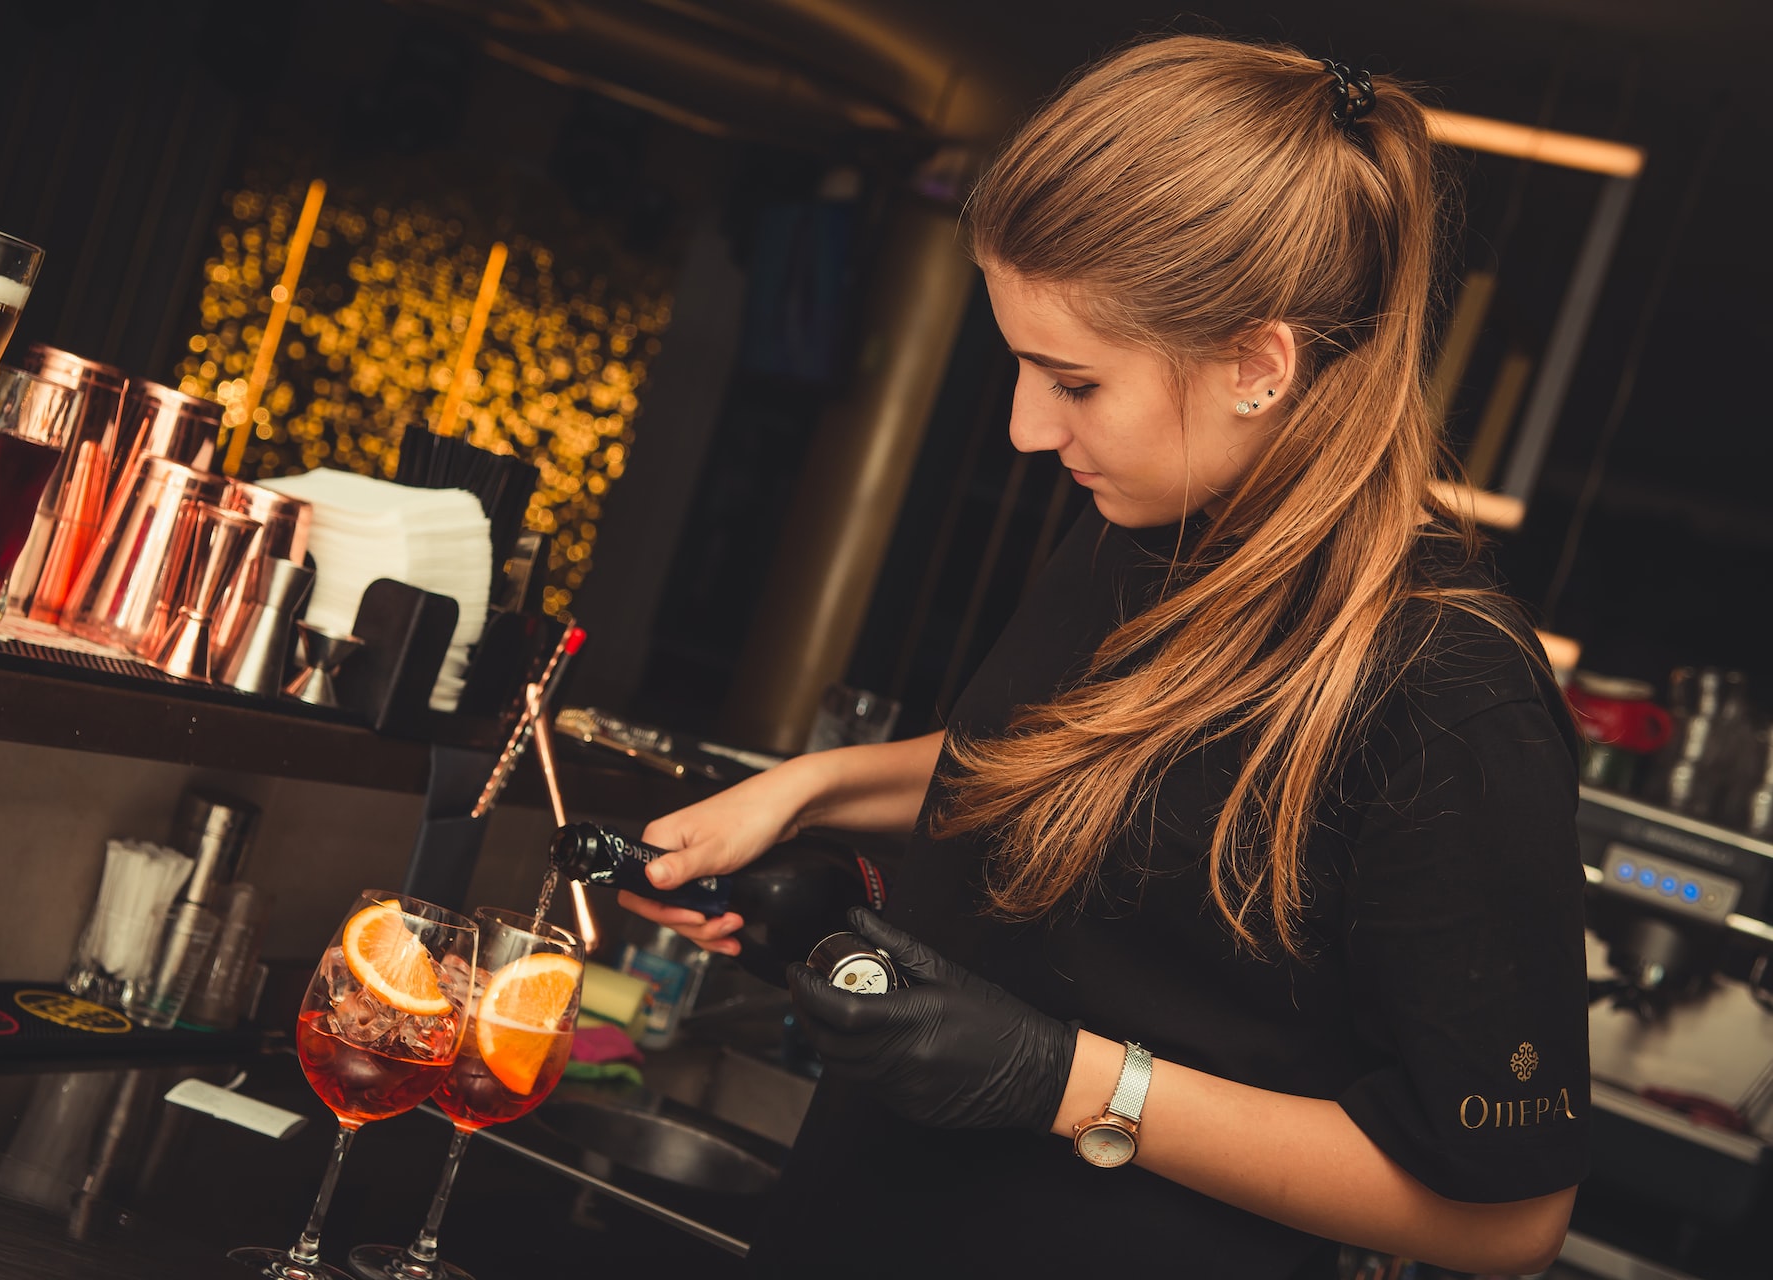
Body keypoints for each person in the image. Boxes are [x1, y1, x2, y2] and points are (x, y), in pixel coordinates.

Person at [621, 34, 1587, 1279]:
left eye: (1072, 380)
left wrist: (1065, 1078)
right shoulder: (1138, 532)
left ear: (1258, 361)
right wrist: (812, 799)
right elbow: (1069, 772)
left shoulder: (1448, 690)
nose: (1029, 427)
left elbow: (1510, 1219)